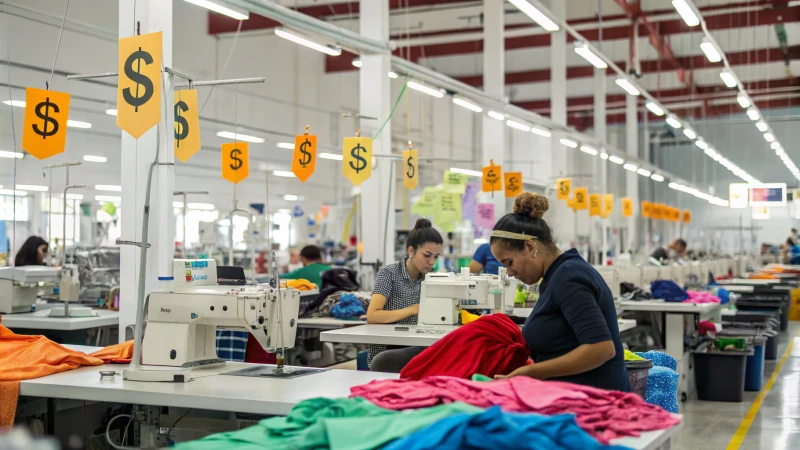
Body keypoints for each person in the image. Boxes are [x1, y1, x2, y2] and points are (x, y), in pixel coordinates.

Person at [490, 192, 629, 391]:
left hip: (592, 402)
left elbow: (601, 349)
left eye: (509, 263)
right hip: (579, 395)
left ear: (530, 246)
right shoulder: (556, 275)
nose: (510, 273)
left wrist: (531, 372)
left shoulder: (568, 277)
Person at [367, 218, 443, 372]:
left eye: (435, 257)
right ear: (410, 251)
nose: (431, 262)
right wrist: (414, 309)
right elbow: (373, 316)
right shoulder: (388, 273)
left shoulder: (431, 278)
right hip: (387, 350)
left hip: (416, 345)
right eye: (427, 255)